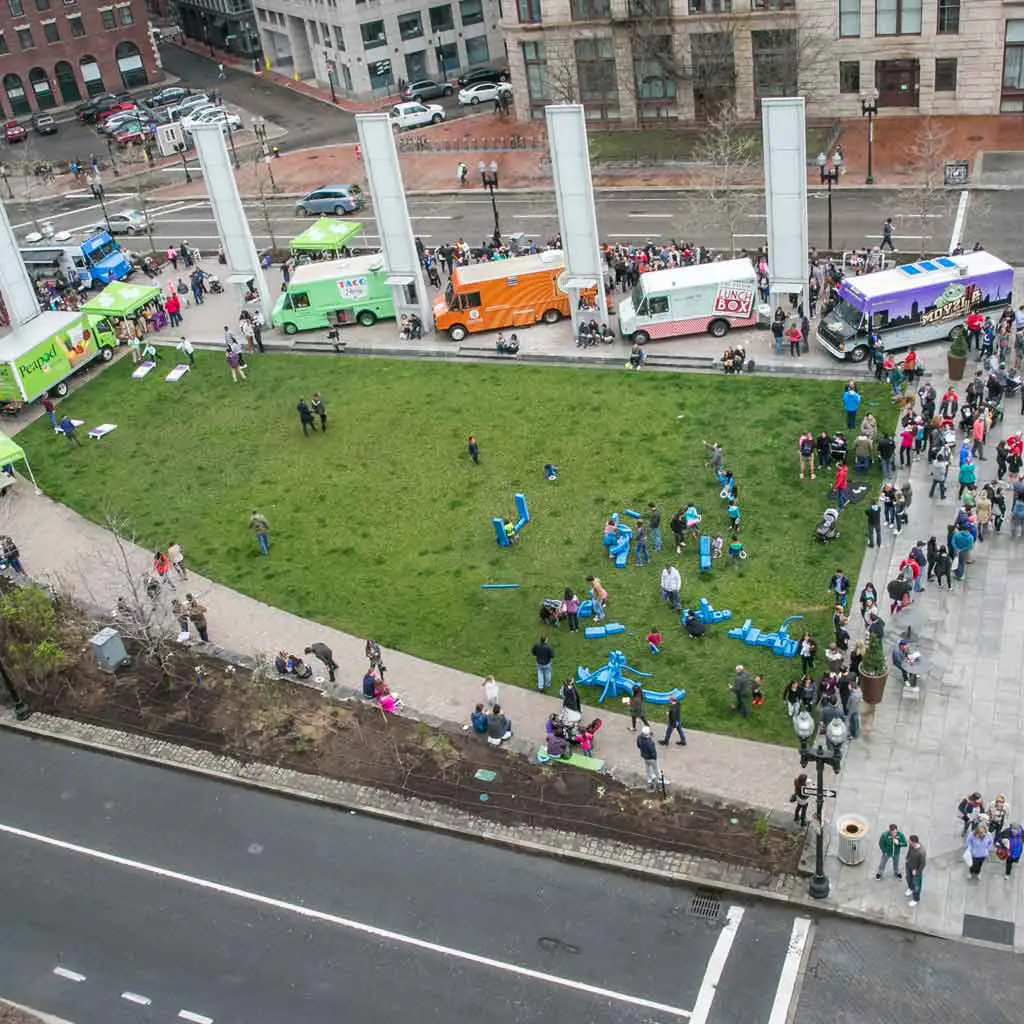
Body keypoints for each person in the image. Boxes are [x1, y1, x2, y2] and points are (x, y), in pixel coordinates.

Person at [637, 725, 659, 791]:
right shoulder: (650, 742)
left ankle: (649, 779)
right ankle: (658, 778)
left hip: (644, 756)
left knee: (647, 767)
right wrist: (655, 757)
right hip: (651, 758)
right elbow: (652, 751)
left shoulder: (639, 738)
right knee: (655, 768)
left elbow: (638, 745)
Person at [905, 835, 926, 906]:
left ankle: (916, 899)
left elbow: (923, 864)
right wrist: (907, 858)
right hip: (909, 866)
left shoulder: (921, 852)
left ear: (913, 842)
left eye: (910, 841)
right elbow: (909, 852)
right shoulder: (911, 846)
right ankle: (910, 888)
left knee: (917, 884)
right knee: (908, 878)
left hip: (916, 870)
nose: (909, 842)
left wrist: (917, 871)